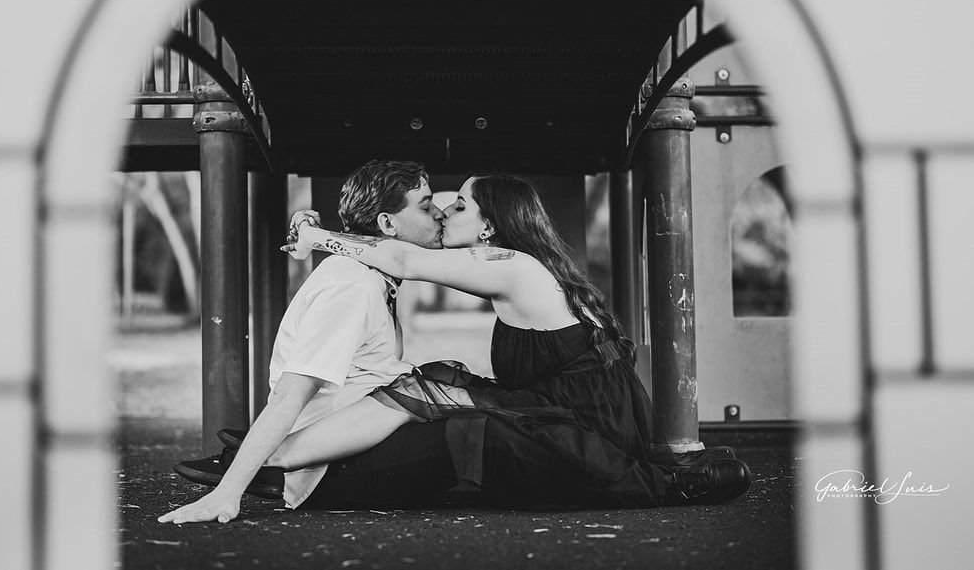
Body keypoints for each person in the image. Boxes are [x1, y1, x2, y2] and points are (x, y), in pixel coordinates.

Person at [205, 173, 750, 511]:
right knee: (434, 379)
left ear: (490, 225)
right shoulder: (505, 262)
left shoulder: (509, 265)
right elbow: (400, 251)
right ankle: (269, 455)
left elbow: (402, 258)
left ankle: (271, 457)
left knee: (433, 389)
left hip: (582, 416)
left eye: (459, 206)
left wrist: (317, 237)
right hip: (564, 400)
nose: (444, 212)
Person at [160, 160, 459, 525]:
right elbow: (291, 393)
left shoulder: (369, 276)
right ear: (387, 224)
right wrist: (229, 490)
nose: (439, 214)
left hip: (360, 437)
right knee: (478, 436)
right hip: (328, 468)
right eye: (426, 206)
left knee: (449, 382)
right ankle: (259, 465)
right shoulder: (352, 287)